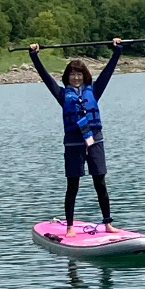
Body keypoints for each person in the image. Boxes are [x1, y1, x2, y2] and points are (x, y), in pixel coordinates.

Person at [29, 40, 124, 236]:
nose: (76, 77)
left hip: (94, 140)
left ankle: (108, 223)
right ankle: (70, 227)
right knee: (73, 185)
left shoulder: (94, 90)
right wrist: (34, 56)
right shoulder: (62, 95)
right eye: (72, 74)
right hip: (73, 143)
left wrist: (116, 52)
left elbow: (108, 72)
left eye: (79, 74)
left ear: (85, 75)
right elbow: (46, 78)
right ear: (67, 77)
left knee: (100, 182)